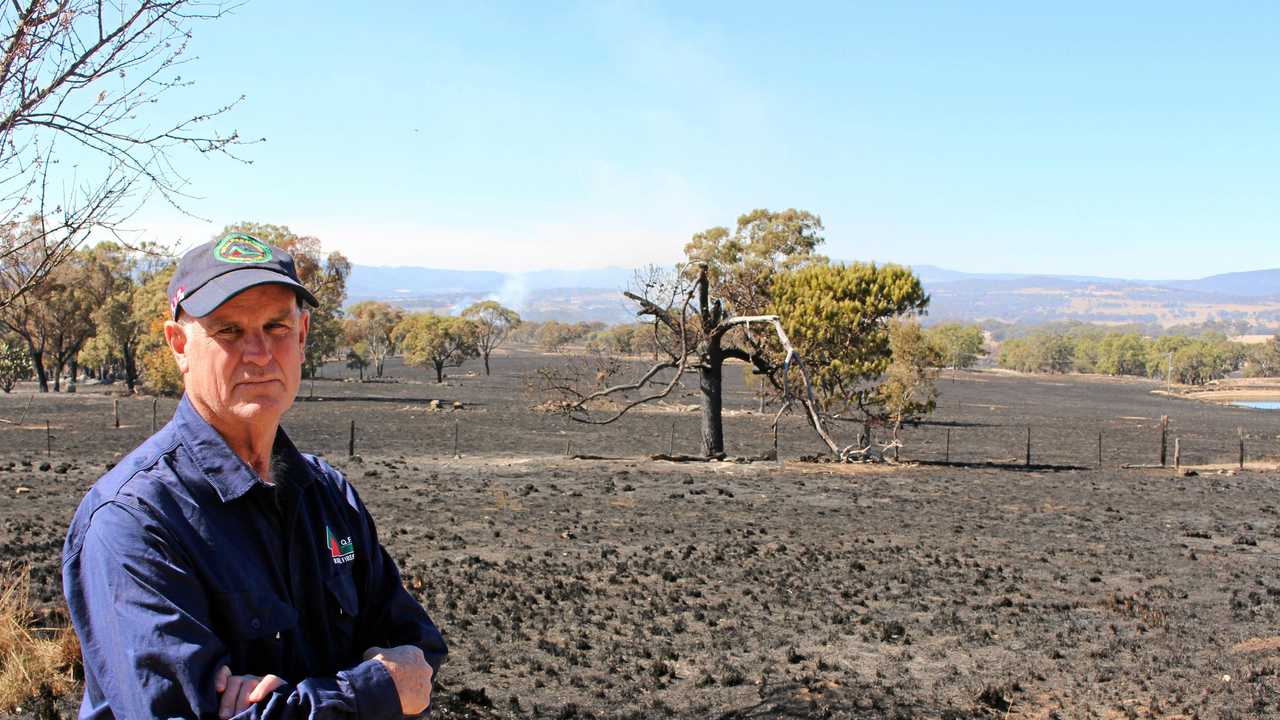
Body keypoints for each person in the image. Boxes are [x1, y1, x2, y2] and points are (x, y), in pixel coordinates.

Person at [62, 232, 447, 719]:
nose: (260, 354)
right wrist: (370, 691)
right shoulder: (134, 523)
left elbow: (417, 653)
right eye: (229, 332)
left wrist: (274, 708)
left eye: (276, 327)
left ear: (303, 335)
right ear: (179, 345)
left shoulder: (329, 495)